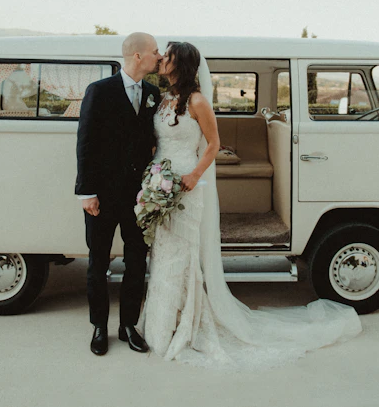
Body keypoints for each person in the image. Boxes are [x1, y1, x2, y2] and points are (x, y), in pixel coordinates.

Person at [140, 41, 362, 369]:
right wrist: (152, 178)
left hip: (186, 185)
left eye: (167, 55)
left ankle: (185, 325)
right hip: (161, 180)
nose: (161, 58)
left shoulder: (198, 101)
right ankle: (162, 325)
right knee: (162, 254)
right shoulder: (163, 99)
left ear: (181, 63)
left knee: (183, 256)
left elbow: (214, 144)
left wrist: (193, 176)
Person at [75, 32, 162, 356]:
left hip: (140, 197)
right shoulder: (98, 91)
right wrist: (87, 192)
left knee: (137, 261)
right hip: (102, 195)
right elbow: (85, 143)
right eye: (155, 52)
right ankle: (99, 326)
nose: (160, 56)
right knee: (98, 262)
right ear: (138, 56)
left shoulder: (153, 93)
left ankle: (129, 325)